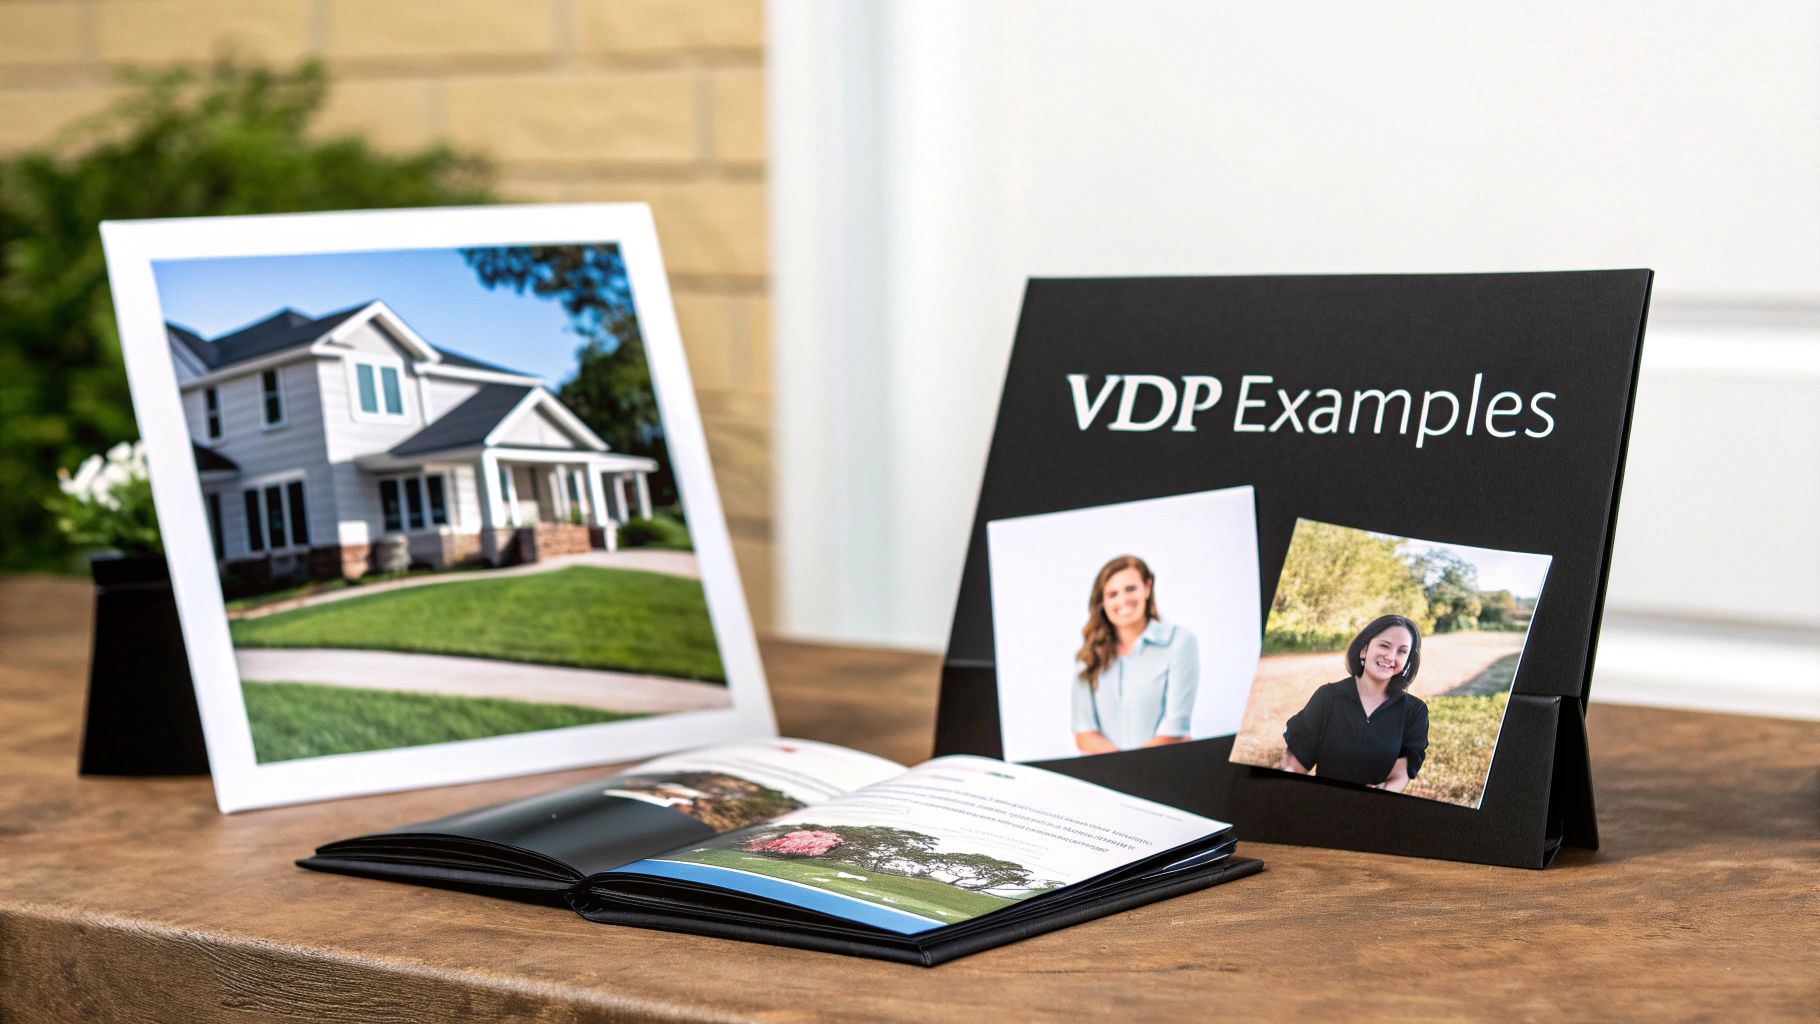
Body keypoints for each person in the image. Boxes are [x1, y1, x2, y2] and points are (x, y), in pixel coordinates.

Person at [1279, 614, 1429, 791]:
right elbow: (1297, 758)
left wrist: (1382, 792)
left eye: (1402, 651)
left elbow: (1401, 773)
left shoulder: (1414, 711)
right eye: (1384, 645)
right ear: (1364, 649)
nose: (1391, 656)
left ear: (1408, 660)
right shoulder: (1327, 697)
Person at [1071, 555, 1199, 755]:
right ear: (1102, 602)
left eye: (1130, 589)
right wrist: (1123, 768)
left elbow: (1176, 730)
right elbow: (1084, 735)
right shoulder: (1088, 656)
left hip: (1166, 767)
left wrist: (1132, 767)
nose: (1123, 600)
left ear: (1147, 588)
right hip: (1107, 774)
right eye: (1112, 594)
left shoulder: (1180, 641)